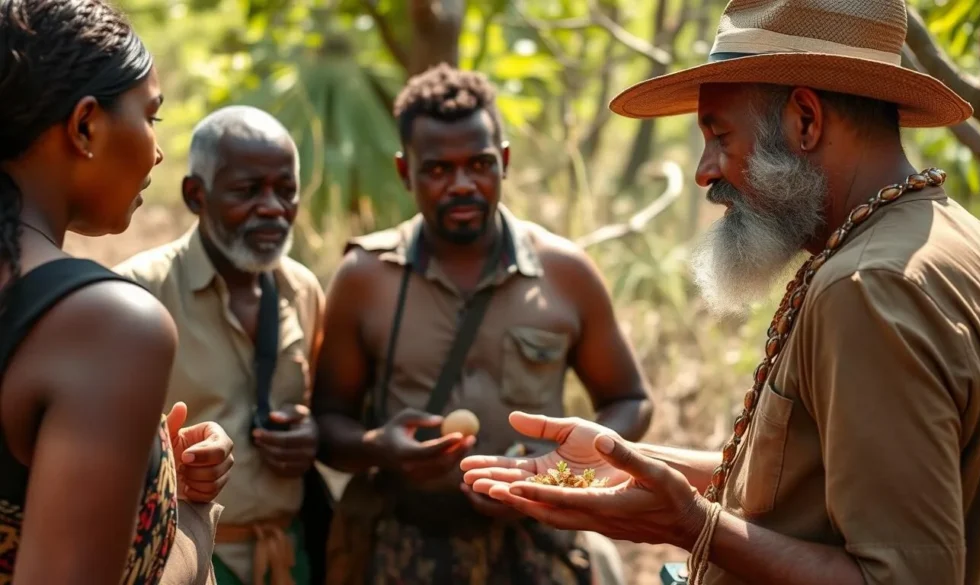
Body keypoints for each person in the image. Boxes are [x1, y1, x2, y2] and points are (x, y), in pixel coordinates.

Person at [462, 1, 980, 584]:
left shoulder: (866, 287)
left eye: (719, 135)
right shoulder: (964, 242)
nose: (705, 170)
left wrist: (690, 526)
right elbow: (818, 482)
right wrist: (627, 462)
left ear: (805, 120)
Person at [313, 63, 651, 585]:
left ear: (505, 161)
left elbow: (631, 400)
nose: (462, 184)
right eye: (438, 170)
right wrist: (380, 447)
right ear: (406, 173)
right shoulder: (365, 278)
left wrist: (556, 471)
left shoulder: (565, 271)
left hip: (540, 543)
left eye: (479, 164)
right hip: (406, 550)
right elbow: (328, 423)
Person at [0, 1, 235, 584]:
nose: (157, 150)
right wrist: (191, 524)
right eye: (151, 116)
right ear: (85, 126)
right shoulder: (108, 324)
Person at [115, 105, 326, 585]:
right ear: (196, 195)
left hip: (286, 555)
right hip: (184, 556)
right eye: (248, 191)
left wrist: (309, 439)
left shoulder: (303, 290)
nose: (273, 207)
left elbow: (317, 407)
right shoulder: (135, 293)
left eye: (286, 191)